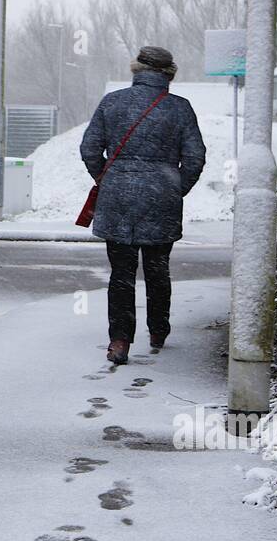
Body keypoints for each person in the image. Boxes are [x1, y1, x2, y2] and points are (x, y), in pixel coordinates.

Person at [79, 46, 206, 365]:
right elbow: (194, 157)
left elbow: (90, 147)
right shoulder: (180, 109)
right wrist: (175, 188)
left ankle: (120, 341)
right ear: (169, 74)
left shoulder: (112, 102)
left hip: (118, 197)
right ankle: (158, 329)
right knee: (157, 269)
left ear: (136, 70)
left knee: (121, 273)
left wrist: (108, 178)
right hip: (162, 198)